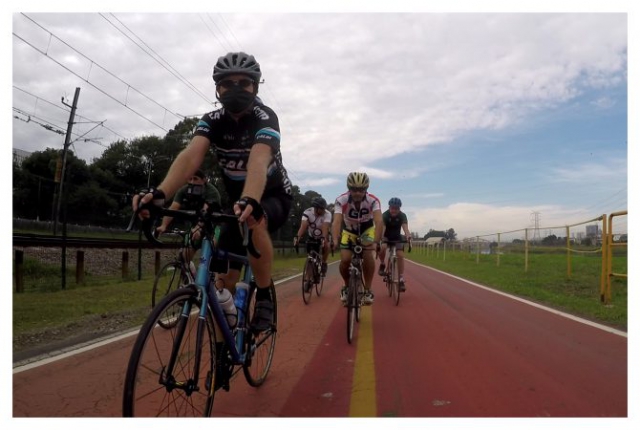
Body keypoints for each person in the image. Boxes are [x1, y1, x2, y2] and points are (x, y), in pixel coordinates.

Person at [133, 51, 293, 334]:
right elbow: (190, 156)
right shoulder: (212, 120)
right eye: (227, 83)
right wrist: (160, 193)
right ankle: (224, 346)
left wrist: (251, 198)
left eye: (243, 83)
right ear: (217, 88)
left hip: (271, 196)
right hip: (238, 203)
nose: (235, 88)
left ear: (255, 87)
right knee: (222, 288)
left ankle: (264, 294)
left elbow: (258, 159)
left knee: (254, 221)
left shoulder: (265, 116)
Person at [154, 169, 221, 274]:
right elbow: (173, 208)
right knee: (184, 257)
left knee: (211, 250)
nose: (192, 182)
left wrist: (199, 228)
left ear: (204, 180)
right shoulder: (183, 190)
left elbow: (206, 210)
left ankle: (210, 276)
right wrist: (164, 225)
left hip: (213, 225)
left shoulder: (211, 191)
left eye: (195, 179)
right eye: (190, 179)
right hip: (194, 225)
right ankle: (189, 277)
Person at [331, 172, 382, 305]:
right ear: (349, 188)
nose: (357, 193)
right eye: (354, 189)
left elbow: (379, 221)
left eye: (361, 190)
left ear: (366, 189)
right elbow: (336, 222)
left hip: (367, 230)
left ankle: (368, 290)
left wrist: (376, 242)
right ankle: (346, 286)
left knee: (368, 255)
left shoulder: (373, 200)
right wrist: (335, 240)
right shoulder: (341, 200)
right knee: (345, 260)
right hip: (349, 231)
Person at [378, 197, 412, 291]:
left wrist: (408, 235)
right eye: (392, 208)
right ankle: (382, 264)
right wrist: (381, 238)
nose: (394, 210)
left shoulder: (402, 216)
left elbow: (405, 228)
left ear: (399, 209)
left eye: (396, 208)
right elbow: (383, 228)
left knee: (400, 255)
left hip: (397, 237)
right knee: (383, 247)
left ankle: (400, 278)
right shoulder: (385, 215)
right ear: (389, 207)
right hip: (386, 236)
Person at [294, 196, 332, 276]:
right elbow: (303, 226)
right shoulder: (307, 212)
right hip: (312, 236)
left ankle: (324, 263)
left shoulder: (327, 214)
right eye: (322, 208)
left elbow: (325, 226)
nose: (323, 210)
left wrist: (323, 238)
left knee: (326, 245)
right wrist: (297, 237)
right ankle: (308, 278)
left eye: (324, 208)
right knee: (310, 257)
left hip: (323, 235)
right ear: (316, 208)